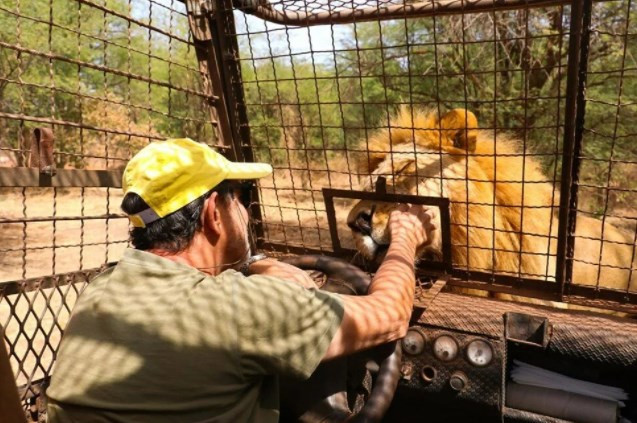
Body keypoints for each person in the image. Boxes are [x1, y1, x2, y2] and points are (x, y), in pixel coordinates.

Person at [45, 138, 436, 423]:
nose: (246, 213)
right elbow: (390, 315)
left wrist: (256, 264)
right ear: (215, 213)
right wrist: (405, 239)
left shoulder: (100, 289)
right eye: (241, 198)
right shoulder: (240, 308)